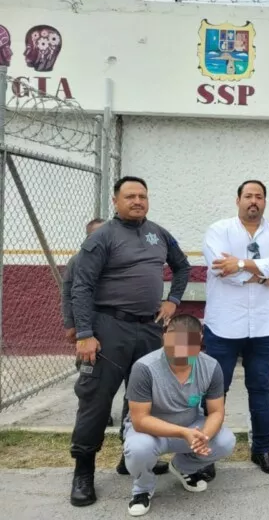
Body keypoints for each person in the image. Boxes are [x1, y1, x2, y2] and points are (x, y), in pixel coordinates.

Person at [69, 176, 190, 507]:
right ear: (115, 201)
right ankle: (83, 472)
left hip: (150, 328)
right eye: (130, 196)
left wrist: (173, 301)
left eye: (143, 196)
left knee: (143, 398)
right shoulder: (102, 237)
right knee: (96, 400)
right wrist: (84, 333)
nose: (137, 201)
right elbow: (80, 286)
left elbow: (182, 267)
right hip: (109, 328)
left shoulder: (159, 234)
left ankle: (130, 457)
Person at [201, 180, 269, 476]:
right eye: (248, 196)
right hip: (224, 327)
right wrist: (263, 276)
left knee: (260, 389)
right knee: (217, 390)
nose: (254, 201)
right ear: (237, 199)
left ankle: (263, 451)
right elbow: (220, 270)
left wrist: (241, 263)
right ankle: (207, 454)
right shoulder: (219, 230)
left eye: (260, 196)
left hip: (263, 327)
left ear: (265, 201)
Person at [123, 314, 236, 517]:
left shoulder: (211, 367)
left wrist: (204, 437)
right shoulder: (144, 368)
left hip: (191, 426)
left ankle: (182, 467)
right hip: (152, 432)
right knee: (138, 449)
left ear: (199, 339)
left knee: (226, 441)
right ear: (165, 336)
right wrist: (183, 432)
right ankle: (143, 487)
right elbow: (140, 421)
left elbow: (217, 411)